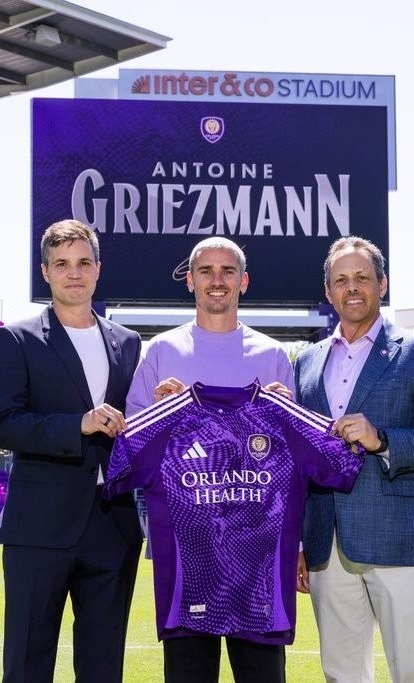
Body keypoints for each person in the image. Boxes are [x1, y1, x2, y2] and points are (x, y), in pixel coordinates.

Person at [294, 235, 414, 683]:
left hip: (398, 539)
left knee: (411, 672)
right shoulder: (307, 361)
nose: (352, 288)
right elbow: (299, 460)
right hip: (326, 542)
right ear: (328, 291)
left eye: (362, 277)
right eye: (341, 280)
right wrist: (297, 542)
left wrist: (382, 439)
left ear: (382, 284)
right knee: (341, 673)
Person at [124, 236, 296, 682]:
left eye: (227, 271)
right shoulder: (161, 351)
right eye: (206, 271)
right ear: (190, 281)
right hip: (188, 549)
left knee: (262, 675)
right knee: (189, 674)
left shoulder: (273, 355)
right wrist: (159, 414)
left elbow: (291, 460)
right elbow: (133, 445)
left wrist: (284, 413)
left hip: (257, 552)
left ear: (244, 281)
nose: (216, 280)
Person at [0, 219, 143, 682]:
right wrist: (78, 424)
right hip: (40, 525)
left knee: (103, 667)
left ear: (98, 269)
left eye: (83, 262)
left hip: (112, 525)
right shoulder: (16, 338)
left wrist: (157, 406)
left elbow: (133, 425)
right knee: (28, 664)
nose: (74, 273)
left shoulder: (127, 342)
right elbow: (1, 424)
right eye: (62, 264)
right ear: (46, 272)